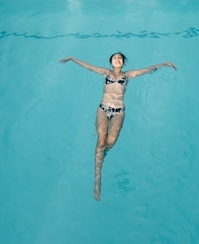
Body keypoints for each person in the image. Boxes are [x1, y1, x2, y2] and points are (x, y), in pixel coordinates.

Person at [60, 52, 176, 200]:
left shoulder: (128, 75)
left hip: (119, 112)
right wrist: (72, 58)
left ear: (123, 63)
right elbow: (89, 66)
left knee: (110, 143)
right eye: (114, 58)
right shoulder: (105, 72)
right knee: (101, 141)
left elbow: (147, 69)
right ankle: (97, 180)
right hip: (103, 109)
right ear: (110, 62)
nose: (117, 59)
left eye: (119, 58)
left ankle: (102, 153)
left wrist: (163, 64)